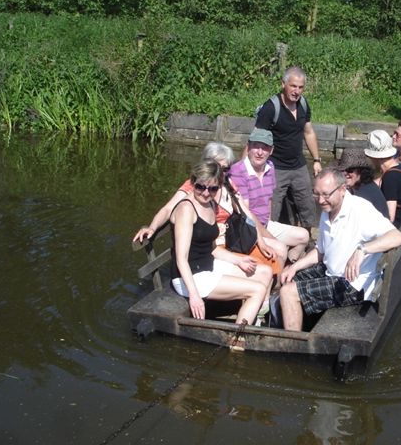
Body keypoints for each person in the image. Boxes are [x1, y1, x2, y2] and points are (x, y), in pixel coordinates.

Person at [132, 142, 286, 277]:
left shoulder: (227, 183)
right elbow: (168, 208)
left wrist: (262, 241)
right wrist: (152, 227)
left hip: (233, 239)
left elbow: (246, 213)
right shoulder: (196, 187)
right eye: (218, 167)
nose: (221, 173)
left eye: (226, 169)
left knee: (277, 250)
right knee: (265, 266)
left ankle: (270, 295)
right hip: (217, 245)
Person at [279, 168, 401, 331]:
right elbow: (321, 251)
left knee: (289, 292)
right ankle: (297, 325)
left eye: (326, 194)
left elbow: (397, 237)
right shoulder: (328, 210)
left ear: (342, 189)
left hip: (354, 284)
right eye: (316, 194)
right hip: (331, 272)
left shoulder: (360, 210)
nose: (321, 200)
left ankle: (292, 346)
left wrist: (362, 250)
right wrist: (294, 266)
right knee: (287, 278)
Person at [169, 160, 267, 324]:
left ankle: (251, 318)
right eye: (201, 187)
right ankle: (237, 341)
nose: (206, 193)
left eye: (213, 188)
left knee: (264, 272)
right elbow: (181, 259)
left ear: (219, 187)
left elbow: (212, 248)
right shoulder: (186, 210)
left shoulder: (209, 205)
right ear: (193, 183)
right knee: (258, 290)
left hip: (208, 266)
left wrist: (238, 259)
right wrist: (194, 296)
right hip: (190, 277)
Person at [229, 128, 310, 264]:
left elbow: (269, 200)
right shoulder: (238, 171)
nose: (260, 152)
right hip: (247, 229)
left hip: (265, 224)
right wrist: (271, 238)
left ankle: (288, 263)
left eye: (265, 148)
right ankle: (277, 283)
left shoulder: (270, 167)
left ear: (271, 151)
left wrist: (270, 223)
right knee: (280, 248)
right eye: (256, 146)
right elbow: (246, 214)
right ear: (248, 147)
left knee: (304, 236)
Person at [255, 66, 321, 230]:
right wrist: (244, 168)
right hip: (275, 168)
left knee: (308, 207)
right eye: (293, 86)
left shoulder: (303, 104)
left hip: (299, 165)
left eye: (300, 87)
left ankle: (307, 241)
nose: (297, 91)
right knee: (272, 210)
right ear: (283, 84)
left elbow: (309, 132)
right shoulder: (270, 108)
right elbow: (256, 138)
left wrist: (317, 160)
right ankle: (269, 241)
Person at [364, 130, 401, 228]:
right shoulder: (400, 170)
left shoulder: (390, 178)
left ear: (374, 157)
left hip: (399, 229)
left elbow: (390, 217)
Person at [336, 148, 388, 218]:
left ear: (361, 171)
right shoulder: (365, 186)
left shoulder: (362, 195)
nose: (345, 173)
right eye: (343, 169)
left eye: (350, 170)